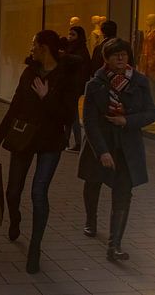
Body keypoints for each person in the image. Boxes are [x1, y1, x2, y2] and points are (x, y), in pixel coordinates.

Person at [0, 30, 80, 274]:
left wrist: (46, 97)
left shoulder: (66, 76)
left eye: (34, 44)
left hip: (51, 141)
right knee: (12, 191)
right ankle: (15, 219)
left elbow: (69, 115)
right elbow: (16, 105)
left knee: (39, 192)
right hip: (24, 138)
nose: (31, 48)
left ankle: (35, 248)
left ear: (45, 48)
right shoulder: (30, 72)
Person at [78, 38, 155, 261]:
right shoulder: (95, 84)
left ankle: (115, 245)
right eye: (115, 55)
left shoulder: (140, 81)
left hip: (127, 148)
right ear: (106, 59)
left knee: (122, 193)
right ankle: (90, 221)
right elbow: (89, 121)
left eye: (124, 54)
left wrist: (127, 120)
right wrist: (102, 151)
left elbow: (151, 112)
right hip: (100, 143)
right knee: (93, 183)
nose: (120, 58)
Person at [64, 26, 92, 152]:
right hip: (70, 87)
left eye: (73, 35)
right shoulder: (72, 49)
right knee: (70, 114)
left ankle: (77, 142)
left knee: (73, 114)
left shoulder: (81, 51)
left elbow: (82, 72)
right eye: (69, 34)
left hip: (74, 87)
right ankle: (66, 140)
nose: (70, 37)